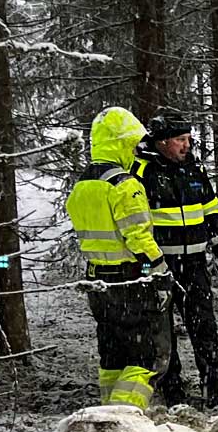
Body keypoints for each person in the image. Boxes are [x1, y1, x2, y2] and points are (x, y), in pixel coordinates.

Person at [65, 106, 172, 411]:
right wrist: (161, 270)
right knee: (147, 357)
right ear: (122, 143)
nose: (137, 151)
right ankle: (126, 417)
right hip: (131, 282)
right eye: (133, 144)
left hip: (98, 281)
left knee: (113, 356)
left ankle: (105, 414)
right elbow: (138, 237)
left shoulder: (82, 186)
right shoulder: (125, 185)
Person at [132, 116, 218, 410]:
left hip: (195, 262)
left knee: (205, 327)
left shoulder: (193, 168)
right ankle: (172, 392)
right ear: (163, 142)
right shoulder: (142, 172)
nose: (187, 145)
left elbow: (211, 205)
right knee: (162, 329)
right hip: (161, 265)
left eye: (189, 139)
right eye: (181, 140)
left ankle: (215, 390)